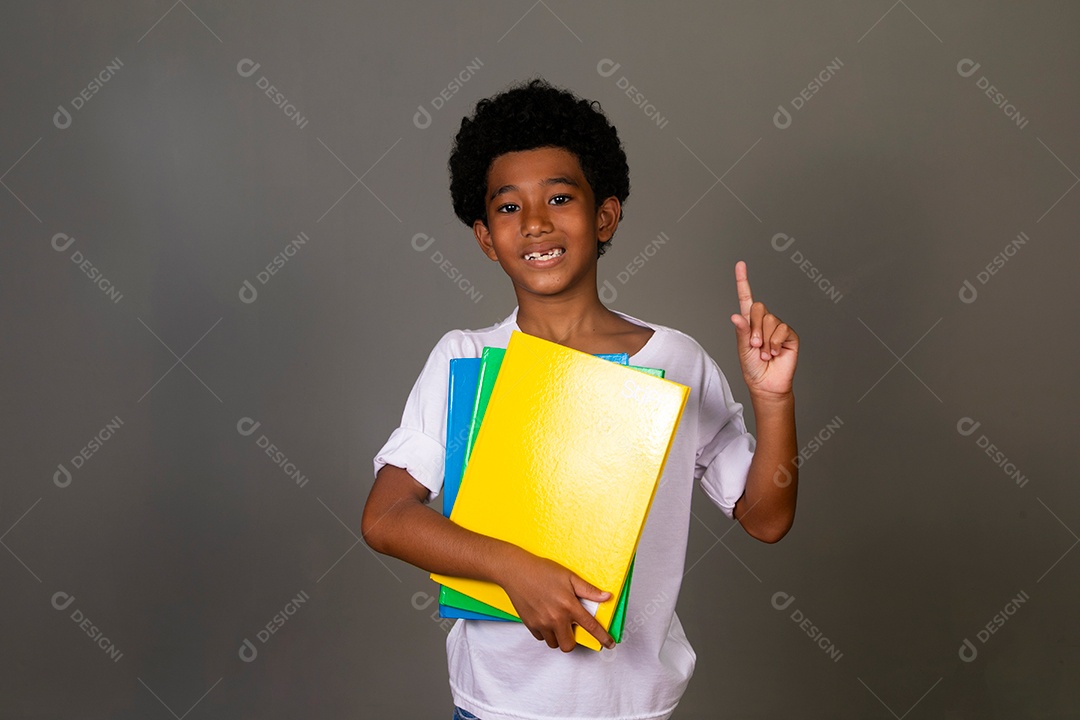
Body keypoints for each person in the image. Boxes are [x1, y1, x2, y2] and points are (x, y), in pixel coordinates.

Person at [363, 77, 800, 720]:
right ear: (485, 238)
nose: (536, 222)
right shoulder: (463, 359)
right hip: (495, 708)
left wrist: (774, 402)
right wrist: (514, 569)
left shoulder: (673, 361)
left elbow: (766, 518)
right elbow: (386, 517)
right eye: (509, 207)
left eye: (560, 197)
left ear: (605, 217)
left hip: (632, 707)